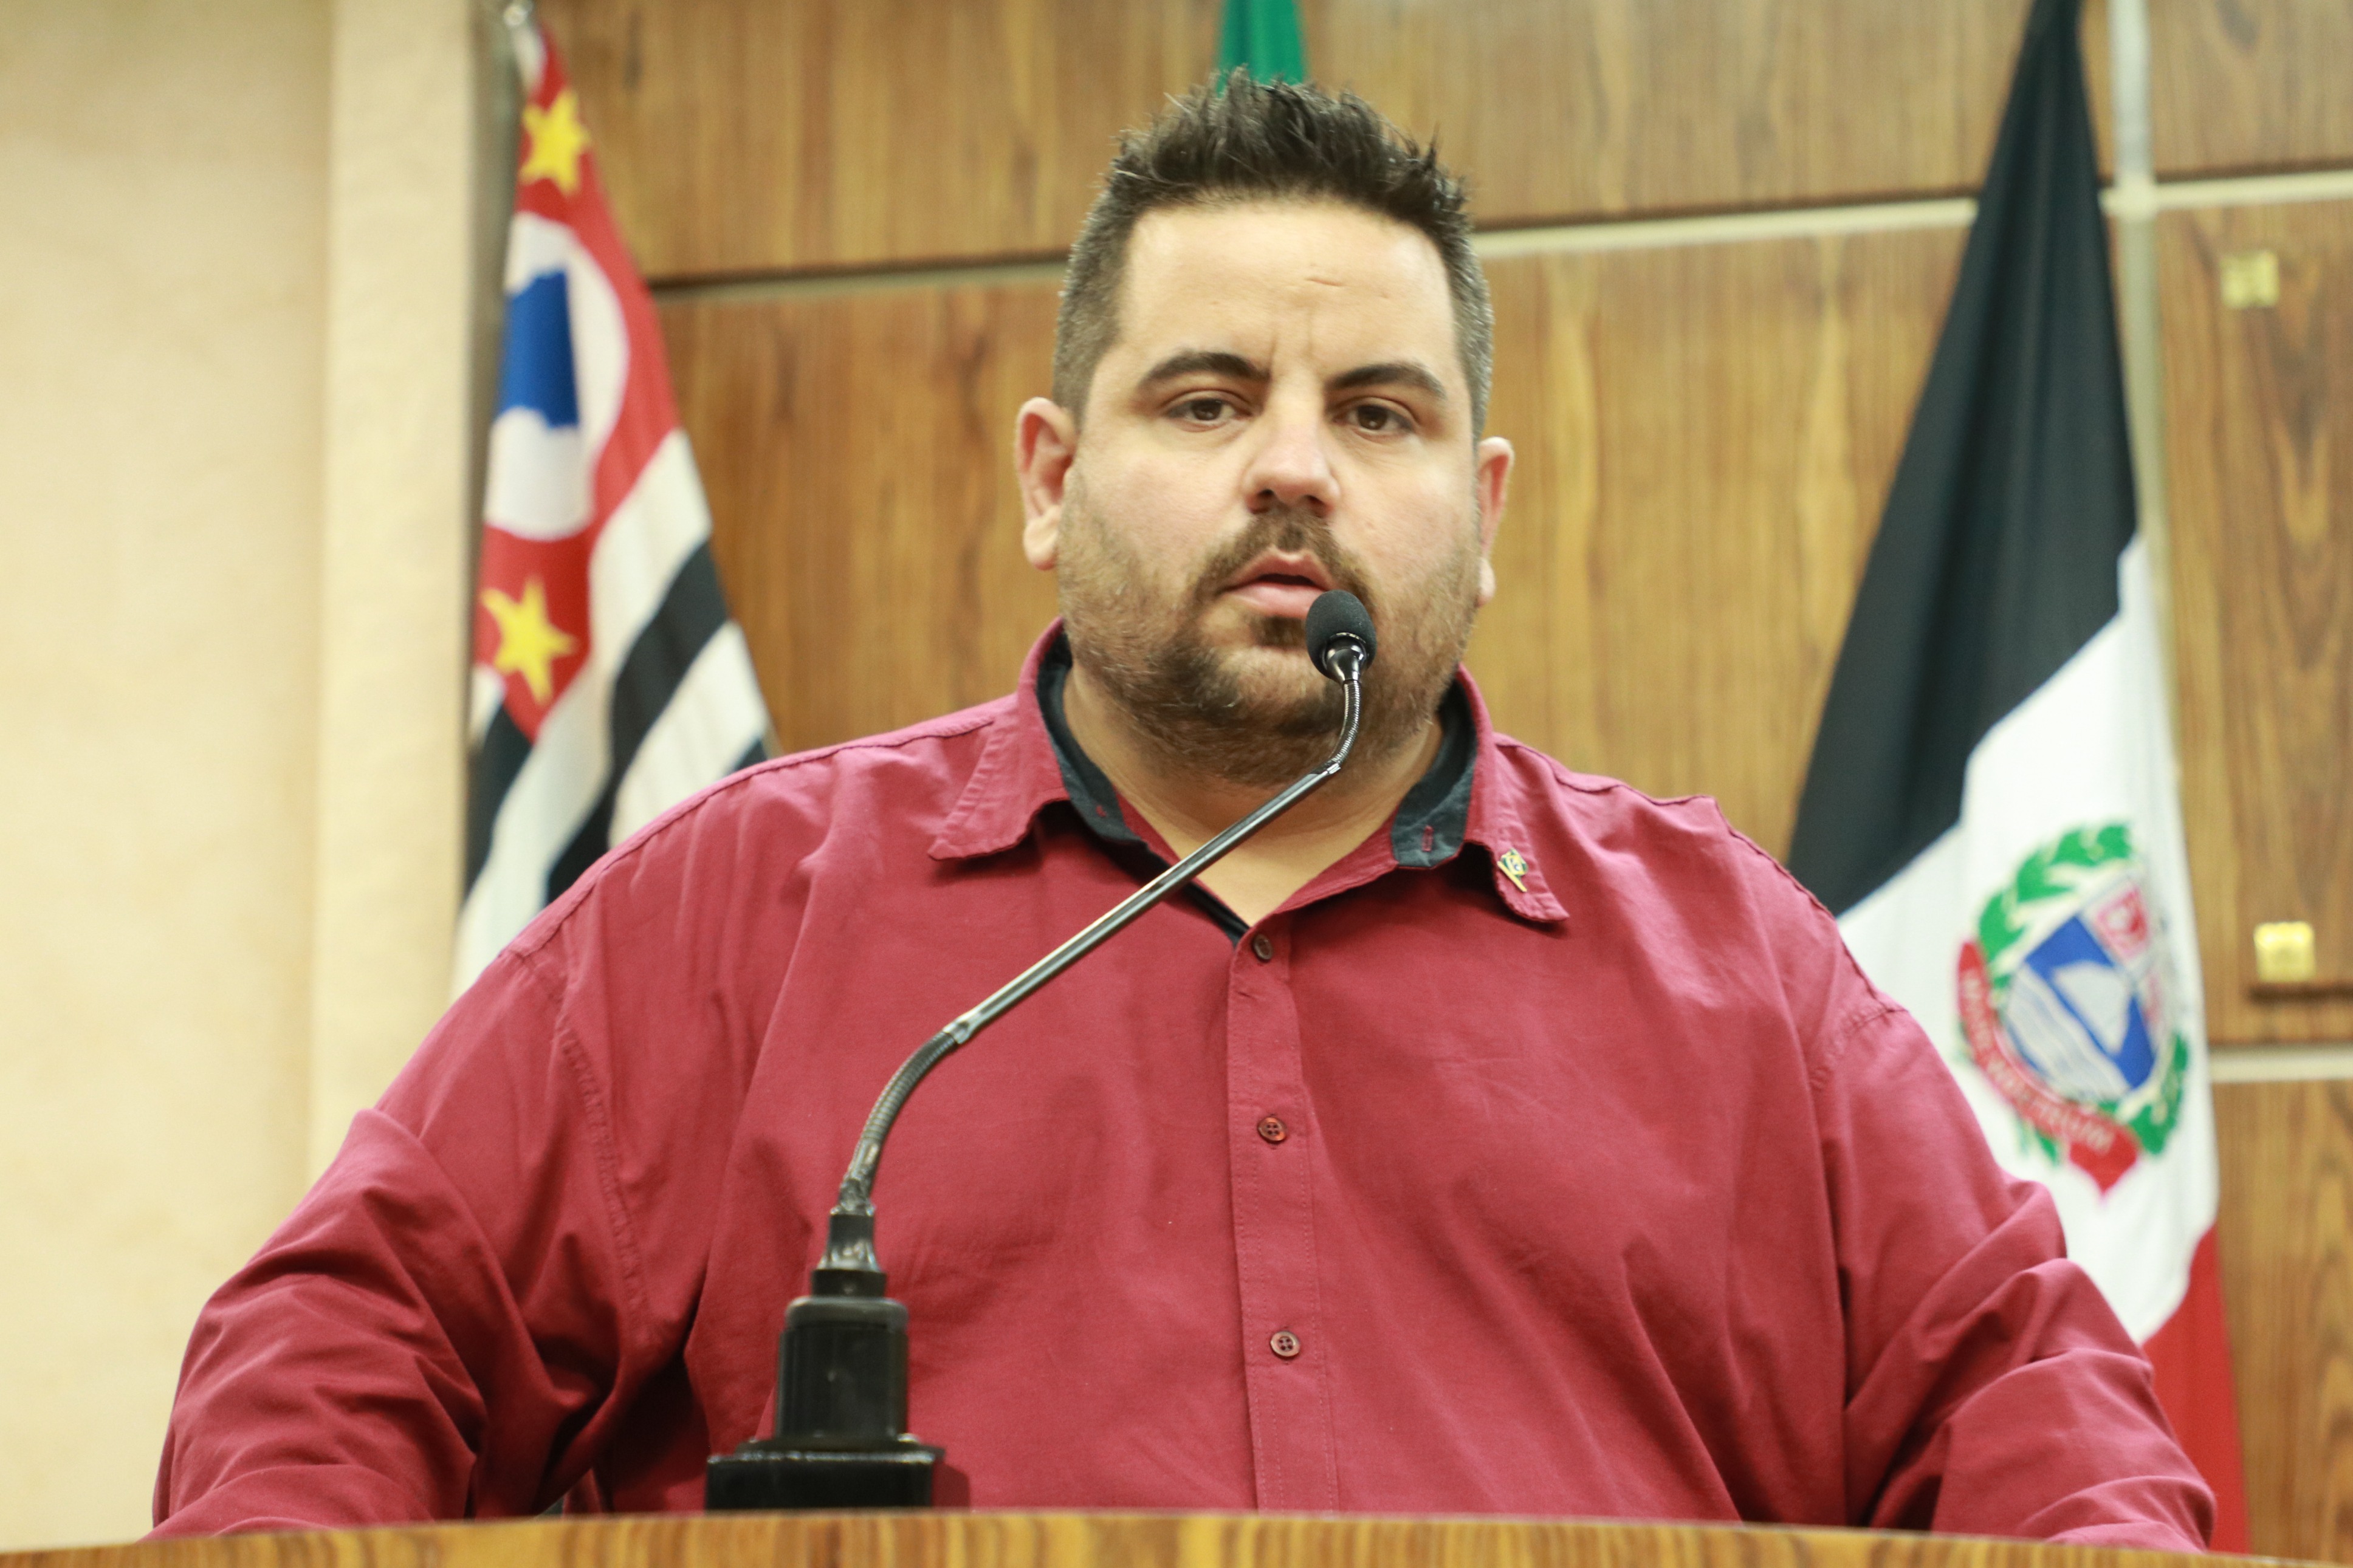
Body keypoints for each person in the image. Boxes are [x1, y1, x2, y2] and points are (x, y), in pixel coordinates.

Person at [154, 75, 2214, 1547]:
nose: (1295, 467)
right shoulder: (738, 914)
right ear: (1052, 481)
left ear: (1482, 512)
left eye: (1378, 413)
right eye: (1209, 400)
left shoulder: (1733, 965)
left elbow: (2039, 1412)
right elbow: (344, 1344)